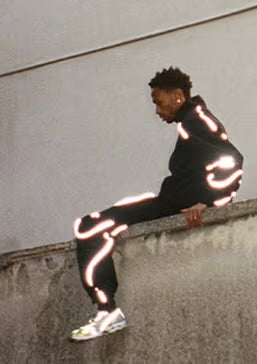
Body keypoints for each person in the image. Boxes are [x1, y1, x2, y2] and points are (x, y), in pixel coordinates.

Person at [68, 67, 243, 342]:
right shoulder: (191, 121)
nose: (157, 111)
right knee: (92, 225)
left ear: (178, 96)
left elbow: (233, 161)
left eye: (158, 102)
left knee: (90, 227)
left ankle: (107, 311)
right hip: (170, 201)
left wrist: (210, 202)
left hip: (172, 205)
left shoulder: (197, 120)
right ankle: (106, 310)